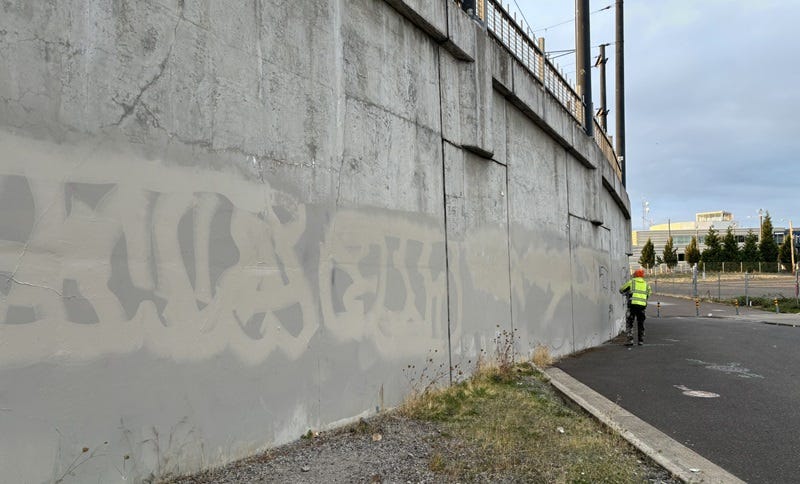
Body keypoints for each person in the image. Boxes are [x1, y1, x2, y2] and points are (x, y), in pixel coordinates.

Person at [619, 268, 652, 346]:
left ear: (635, 275)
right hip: (642, 306)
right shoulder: (646, 284)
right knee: (641, 323)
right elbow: (649, 294)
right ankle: (641, 340)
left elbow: (621, 289)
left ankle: (630, 340)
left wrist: (627, 293)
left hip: (632, 305)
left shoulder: (632, 282)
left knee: (630, 322)